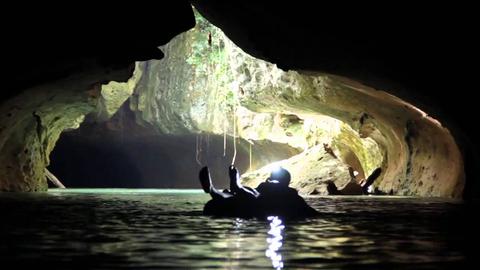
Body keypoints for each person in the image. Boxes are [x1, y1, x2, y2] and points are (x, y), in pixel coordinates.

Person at [199, 165, 318, 218]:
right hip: (253, 199)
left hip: (258, 201)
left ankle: (215, 191)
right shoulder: (265, 186)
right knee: (245, 193)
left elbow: (307, 210)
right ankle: (215, 190)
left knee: (251, 195)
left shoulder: (284, 191)